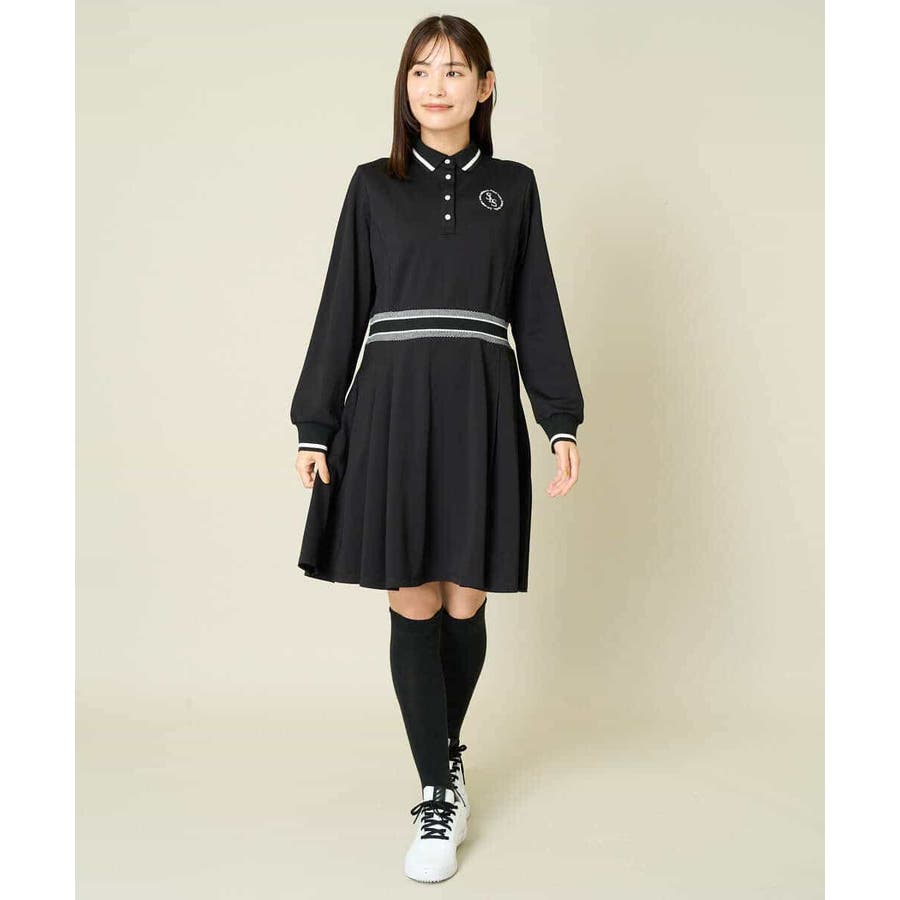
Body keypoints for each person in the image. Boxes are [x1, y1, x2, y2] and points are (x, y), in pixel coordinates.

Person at [289, 15, 584, 883]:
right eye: (421, 70)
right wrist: (316, 422)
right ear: (404, 86)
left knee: (465, 595)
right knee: (412, 594)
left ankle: (444, 754)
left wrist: (559, 418)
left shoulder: (513, 187)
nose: (436, 86)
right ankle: (437, 792)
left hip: (479, 405)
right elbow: (341, 303)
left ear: (484, 87)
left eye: (454, 71)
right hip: (389, 406)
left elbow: (537, 307)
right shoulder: (372, 187)